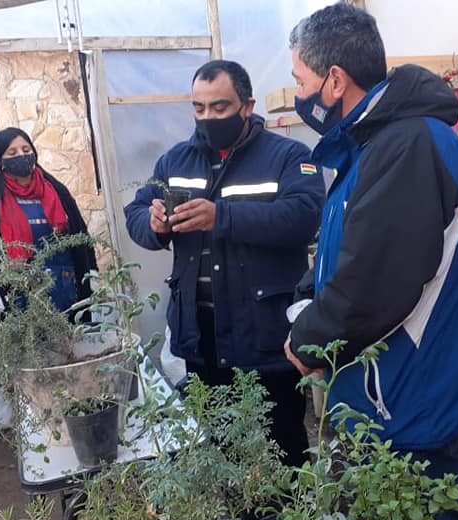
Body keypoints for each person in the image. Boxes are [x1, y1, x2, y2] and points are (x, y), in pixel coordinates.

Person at [283, 4, 458, 520]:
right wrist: (307, 297)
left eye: (300, 80)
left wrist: (310, 339)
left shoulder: (408, 146)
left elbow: (377, 281)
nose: (298, 95)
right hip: (396, 383)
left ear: (334, 80)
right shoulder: (374, 146)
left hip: (414, 385)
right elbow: (349, 252)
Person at [124, 60, 325, 467]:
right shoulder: (176, 161)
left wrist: (223, 217)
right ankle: (233, 519)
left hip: (263, 334)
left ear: (247, 106)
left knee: (281, 439)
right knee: (214, 443)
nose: (208, 117)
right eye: (199, 108)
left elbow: (304, 215)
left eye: (219, 107)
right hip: (200, 335)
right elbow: (136, 210)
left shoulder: (288, 156)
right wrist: (154, 222)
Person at [0, 127, 97, 312]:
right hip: (22, 307)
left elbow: (82, 237)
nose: (21, 155)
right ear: (0, 160)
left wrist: (91, 278)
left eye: (26, 150)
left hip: (68, 296)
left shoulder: (56, 191)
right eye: (12, 152)